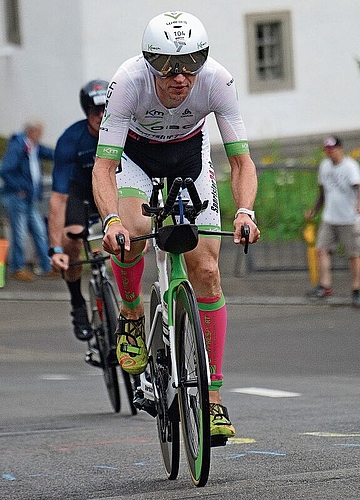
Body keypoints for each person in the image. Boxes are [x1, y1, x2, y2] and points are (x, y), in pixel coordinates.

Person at [92, 11, 260, 440]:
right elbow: (104, 166)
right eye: (167, 65)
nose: (180, 76)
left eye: (192, 61)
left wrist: (245, 212)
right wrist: (111, 221)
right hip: (136, 162)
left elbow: (241, 161)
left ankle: (214, 398)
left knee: (206, 271)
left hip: (189, 159)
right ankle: (131, 314)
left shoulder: (217, 81)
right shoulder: (128, 82)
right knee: (131, 241)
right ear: (149, 61)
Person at [48, 80, 108, 341]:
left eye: (106, 108)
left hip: (111, 188)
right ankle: (77, 303)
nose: (101, 116)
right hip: (80, 193)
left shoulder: (125, 132)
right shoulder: (71, 140)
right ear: (86, 112)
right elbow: (58, 199)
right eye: (95, 111)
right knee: (73, 238)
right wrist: (55, 249)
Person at [305, 136, 360, 306]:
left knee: (354, 255)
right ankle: (325, 285)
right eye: (327, 151)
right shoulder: (325, 166)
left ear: (340, 149)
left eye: (332, 150)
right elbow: (322, 192)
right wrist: (314, 210)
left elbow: (358, 188)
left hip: (349, 218)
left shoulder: (350, 167)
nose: (330, 154)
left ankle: (356, 289)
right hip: (330, 217)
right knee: (321, 249)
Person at [0, 120, 55, 281]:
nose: (41, 135)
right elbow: (5, 170)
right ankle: (17, 267)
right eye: (40, 131)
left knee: (39, 232)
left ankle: (47, 266)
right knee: (20, 233)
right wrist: (19, 189)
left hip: (30, 199)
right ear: (32, 131)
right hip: (18, 198)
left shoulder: (34, 146)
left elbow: (50, 153)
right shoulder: (18, 146)